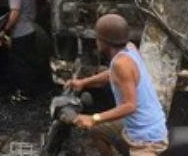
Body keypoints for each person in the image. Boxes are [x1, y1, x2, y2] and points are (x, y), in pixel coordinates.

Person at [67, 14, 168, 156]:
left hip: (147, 138)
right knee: (97, 130)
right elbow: (111, 74)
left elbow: (130, 105)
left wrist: (94, 118)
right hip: (136, 124)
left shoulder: (121, 64)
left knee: (96, 124)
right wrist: (83, 82)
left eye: (98, 38)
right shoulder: (129, 48)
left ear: (104, 42)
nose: (96, 41)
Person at [0, 0, 39, 102]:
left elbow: (15, 13)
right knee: (29, 62)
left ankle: (23, 93)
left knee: (20, 64)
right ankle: (31, 91)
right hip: (31, 29)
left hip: (20, 32)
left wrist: (5, 29)